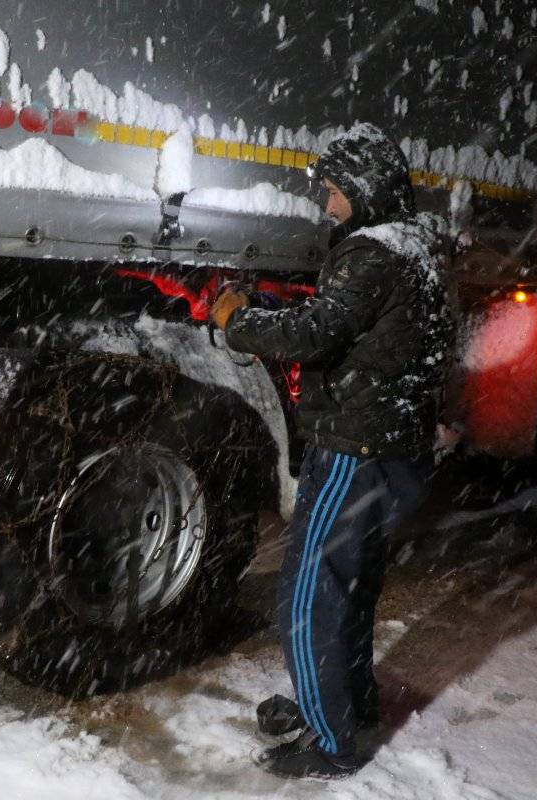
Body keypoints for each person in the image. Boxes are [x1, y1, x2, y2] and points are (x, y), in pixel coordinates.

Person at [208, 122, 455, 779]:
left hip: (354, 447)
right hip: (394, 449)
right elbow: (356, 327)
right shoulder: (417, 248)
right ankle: (349, 706)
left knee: (309, 598)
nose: (325, 201)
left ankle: (332, 742)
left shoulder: (370, 252)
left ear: (366, 188)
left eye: (334, 189)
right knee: (349, 589)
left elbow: (315, 334)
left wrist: (237, 316)